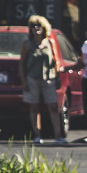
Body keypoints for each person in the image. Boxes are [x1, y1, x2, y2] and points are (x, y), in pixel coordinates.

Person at [18, 15, 66, 144]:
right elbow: (22, 63)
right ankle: (37, 135)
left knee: (53, 106)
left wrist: (57, 78)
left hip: (48, 78)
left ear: (44, 28)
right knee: (34, 107)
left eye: (38, 26)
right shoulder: (27, 44)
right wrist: (24, 81)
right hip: (32, 79)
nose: (36, 29)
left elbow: (55, 61)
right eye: (33, 26)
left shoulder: (50, 42)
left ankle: (58, 135)